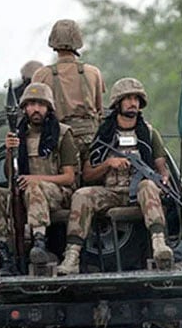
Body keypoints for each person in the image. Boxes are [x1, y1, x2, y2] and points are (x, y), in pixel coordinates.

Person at [57, 77, 174, 275]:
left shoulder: (149, 133)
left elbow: (161, 167)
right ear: (117, 103)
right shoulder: (104, 134)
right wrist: (108, 164)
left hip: (139, 193)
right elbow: (88, 173)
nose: (133, 103)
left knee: (148, 186)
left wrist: (162, 179)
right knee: (82, 195)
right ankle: (72, 256)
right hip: (111, 192)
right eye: (127, 98)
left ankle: (159, 246)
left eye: (136, 98)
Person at [0, 82, 78, 275]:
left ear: (48, 108)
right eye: (31, 104)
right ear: (24, 108)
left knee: (33, 186)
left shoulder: (62, 134)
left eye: (41, 104)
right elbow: (11, 176)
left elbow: (69, 178)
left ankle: (39, 241)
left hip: (58, 193)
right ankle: (5, 252)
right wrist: (11, 151)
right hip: (26, 191)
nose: (36, 109)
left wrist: (35, 179)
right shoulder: (19, 135)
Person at [32, 19, 105, 170]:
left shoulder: (41, 75)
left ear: (53, 42)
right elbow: (99, 110)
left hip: (58, 139)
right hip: (90, 140)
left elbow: (33, 109)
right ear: (78, 40)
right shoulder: (93, 72)